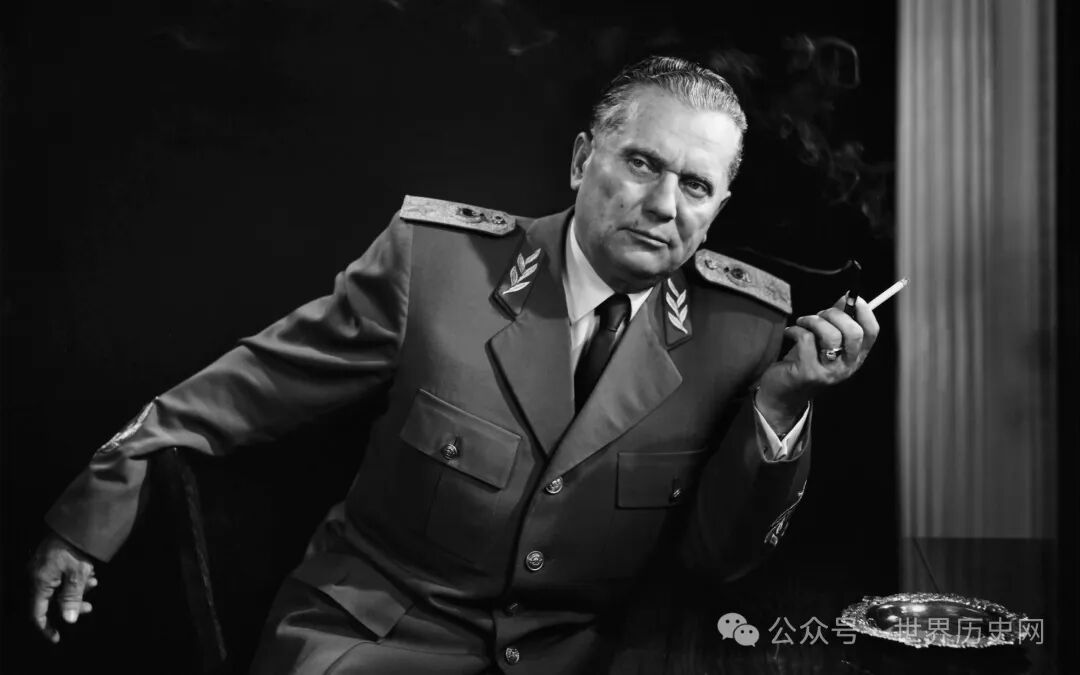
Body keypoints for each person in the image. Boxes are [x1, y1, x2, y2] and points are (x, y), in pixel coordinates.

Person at [29, 56, 878, 673]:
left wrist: (782, 403)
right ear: (583, 160)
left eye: (695, 186)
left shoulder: (742, 331)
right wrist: (93, 509)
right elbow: (244, 391)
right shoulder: (436, 267)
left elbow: (719, 557)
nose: (662, 205)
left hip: (578, 654)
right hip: (378, 635)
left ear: (720, 205)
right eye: (642, 163)